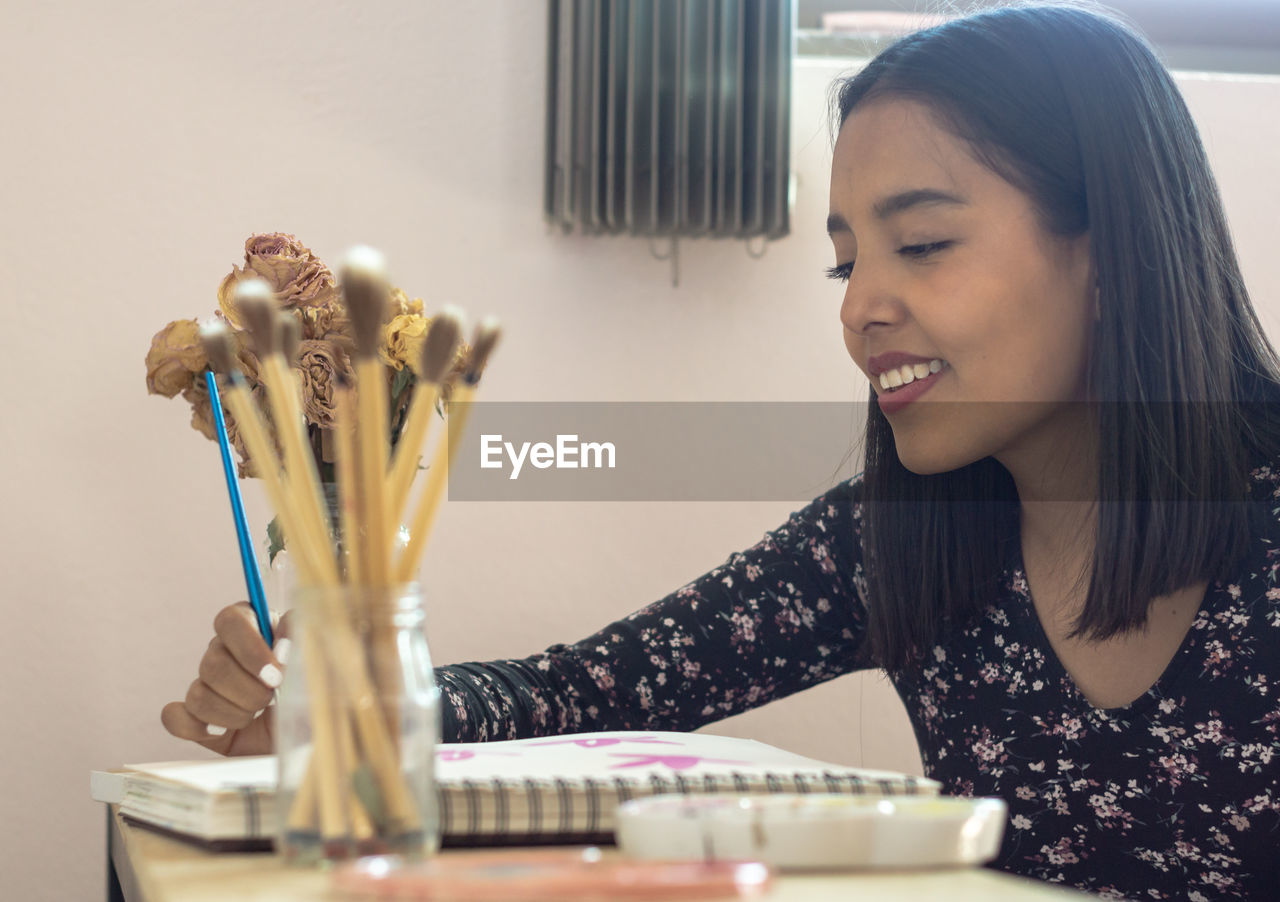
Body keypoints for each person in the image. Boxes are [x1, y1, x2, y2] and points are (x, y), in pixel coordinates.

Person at [161, 2, 1280, 897]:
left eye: (923, 243)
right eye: (846, 265)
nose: (860, 309)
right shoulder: (899, 537)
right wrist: (341, 701)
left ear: (1108, 245)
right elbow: (590, 688)